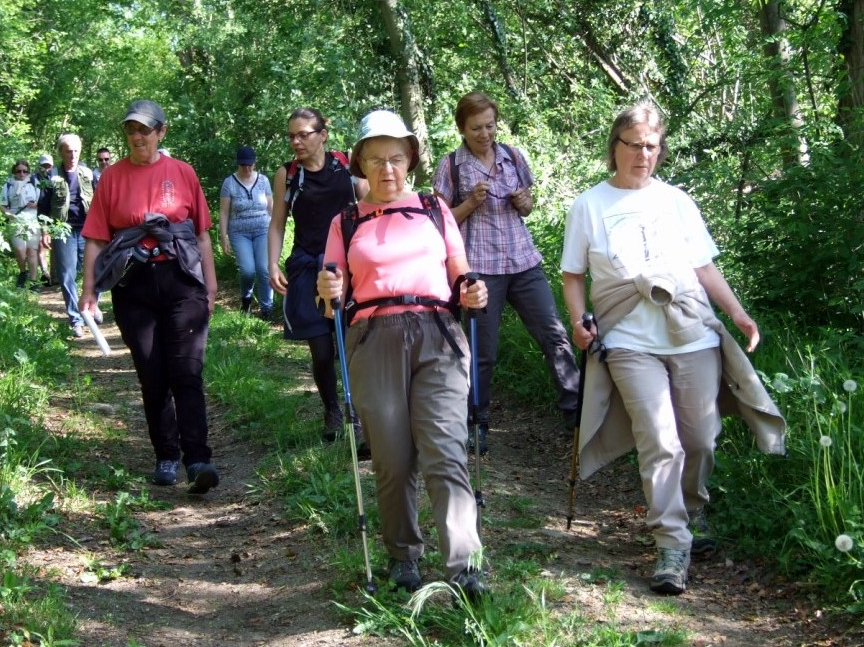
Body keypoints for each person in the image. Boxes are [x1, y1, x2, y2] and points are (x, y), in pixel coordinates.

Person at [561, 102, 786, 595]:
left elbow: (704, 269)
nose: (643, 154)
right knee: (659, 439)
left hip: (691, 336)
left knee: (701, 437)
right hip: (627, 341)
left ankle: (690, 512)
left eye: (651, 146)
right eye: (634, 144)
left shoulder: (678, 202)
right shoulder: (590, 205)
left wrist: (738, 313)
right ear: (614, 147)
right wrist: (579, 320)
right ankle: (671, 543)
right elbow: (573, 274)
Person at [316, 109, 488, 598]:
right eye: (375, 160)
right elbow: (330, 292)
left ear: (410, 160)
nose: (386, 169)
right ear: (360, 165)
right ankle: (402, 556)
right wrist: (326, 285)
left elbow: (461, 273)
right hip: (372, 337)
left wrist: (472, 290)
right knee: (392, 458)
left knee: (444, 451)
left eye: (395, 158)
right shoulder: (346, 221)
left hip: (437, 331)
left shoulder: (434, 208)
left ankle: (463, 564)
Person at [79, 99, 220, 495]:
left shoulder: (183, 173)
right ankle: (166, 455)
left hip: (181, 280)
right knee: (152, 372)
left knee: (186, 370)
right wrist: (89, 289)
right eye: (130, 130)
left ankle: (198, 459)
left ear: (162, 132)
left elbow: (203, 235)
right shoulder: (111, 178)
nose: (137, 136)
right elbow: (95, 239)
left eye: (144, 129)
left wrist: (209, 287)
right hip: (133, 284)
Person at [433, 91, 578, 455]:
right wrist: (469, 203)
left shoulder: (513, 156)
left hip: (523, 261)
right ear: (462, 129)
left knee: (555, 335)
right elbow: (437, 222)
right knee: (482, 351)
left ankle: (576, 413)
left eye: (490, 125)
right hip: (479, 270)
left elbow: (528, 205)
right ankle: (477, 423)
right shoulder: (451, 165)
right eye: (476, 128)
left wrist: (523, 202)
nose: (485, 134)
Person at [269, 108, 368, 441]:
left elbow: (372, 210)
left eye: (303, 134)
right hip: (307, 265)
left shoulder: (348, 164)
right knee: (322, 350)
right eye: (292, 136)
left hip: (348, 267)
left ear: (323, 134)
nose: (296, 141)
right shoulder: (287, 174)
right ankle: (332, 410)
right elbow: (278, 223)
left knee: (350, 345)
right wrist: (272, 263)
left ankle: (358, 412)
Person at [39, 133, 99, 337]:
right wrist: (45, 230)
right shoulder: (52, 175)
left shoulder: (89, 174)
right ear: (61, 152)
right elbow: (43, 206)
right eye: (68, 151)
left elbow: (100, 202)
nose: (72, 155)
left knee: (95, 269)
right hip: (62, 229)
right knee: (67, 275)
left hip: (88, 229)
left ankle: (92, 304)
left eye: (75, 150)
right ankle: (76, 319)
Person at [219, 146, 274, 318]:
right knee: (248, 270)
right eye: (243, 165)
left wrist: (276, 231)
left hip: (263, 229)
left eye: (250, 165)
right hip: (239, 231)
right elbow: (224, 212)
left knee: (264, 269)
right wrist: (224, 236)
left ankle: (267, 308)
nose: (247, 169)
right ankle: (246, 300)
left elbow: (271, 207)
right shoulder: (229, 183)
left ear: (254, 163)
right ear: (238, 164)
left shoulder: (263, 181)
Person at [0, 159, 41, 289]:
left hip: (32, 221)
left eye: (25, 171)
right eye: (19, 171)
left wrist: (35, 205)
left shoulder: (34, 183)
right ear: (14, 171)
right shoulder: (8, 185)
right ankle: (23, 272)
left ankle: (33, 281)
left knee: (32, 251)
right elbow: (2, 204)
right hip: (15, 221)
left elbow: (43, 202)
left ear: (28, 171)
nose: (22, 173)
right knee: (19, 249)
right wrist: (8, 214)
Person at [30, 154, 55, 287]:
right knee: (41, 244)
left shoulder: (55, 178)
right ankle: (45, 272)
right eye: (44, 165)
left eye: (48, 165)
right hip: (38, 216)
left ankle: (55, 275)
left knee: (54, 246)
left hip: (54, 216)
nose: (46, 168)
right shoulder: (33, 179)